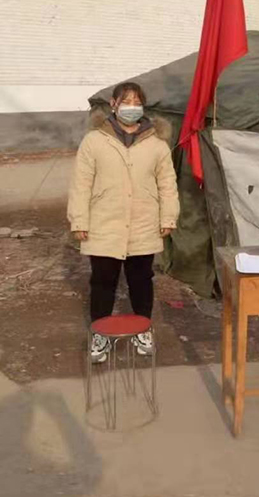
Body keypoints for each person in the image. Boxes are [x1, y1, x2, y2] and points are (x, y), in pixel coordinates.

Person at [67, 82, 180, 364]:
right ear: (113, 104)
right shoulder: (94, 141)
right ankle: (100, 334)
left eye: (137, 102)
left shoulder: (156, 143)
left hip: (143, 222)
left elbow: (167, 184)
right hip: (104, 222)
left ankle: (143, 329)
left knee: (141, 280)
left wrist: (168, 216)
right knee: (103, 281)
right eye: (126, 101)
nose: (132, 107)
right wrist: (79, 220)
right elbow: (81, 183)